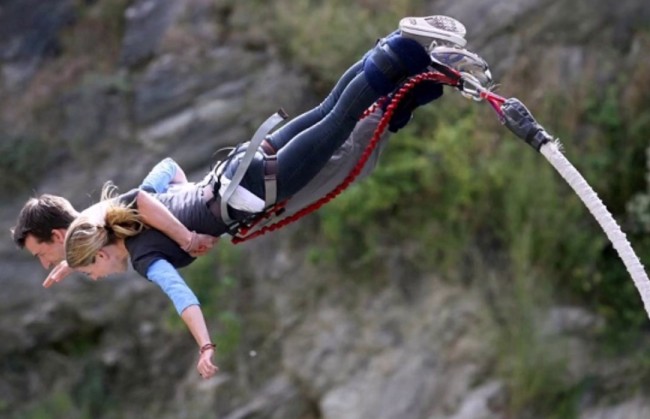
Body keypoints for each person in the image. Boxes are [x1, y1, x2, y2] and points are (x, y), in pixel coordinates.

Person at [17, 15, 475, 379]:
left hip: (258, 187)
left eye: (90, 269)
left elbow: (182, 298)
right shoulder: (134, 215)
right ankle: (421, 62)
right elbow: (164, 173)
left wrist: (205, 343)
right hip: (244, 165)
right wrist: (177, 212)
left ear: (100, 250)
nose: (95, 278)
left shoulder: (144, 255)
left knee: (341, 119)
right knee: (329, 109)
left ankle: (404, 47)